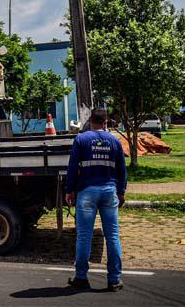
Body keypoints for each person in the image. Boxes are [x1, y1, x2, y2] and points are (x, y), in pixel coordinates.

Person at [64, 108, 127, 292]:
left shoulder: (81, 140)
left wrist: (69, 190)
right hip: (109, 191)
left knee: (84, 236)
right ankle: (114, 280)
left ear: (90, 120)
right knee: (112, 236)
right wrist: (121, 192)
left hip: (87, 192)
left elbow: (72, 167)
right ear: (106, 121)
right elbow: (122, 170)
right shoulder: (114, 141)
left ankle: (81, 278)